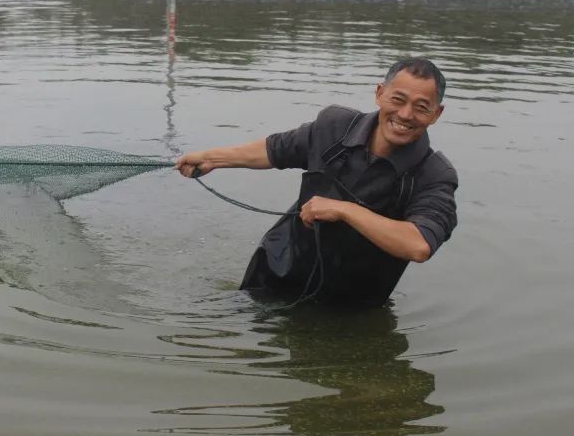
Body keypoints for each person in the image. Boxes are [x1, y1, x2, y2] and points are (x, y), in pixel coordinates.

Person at [176, 58, 458, 307]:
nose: (406, 114)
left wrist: (345, 210)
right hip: (275, 274)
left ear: (437, 113)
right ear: (379, 93)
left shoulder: (435, 174)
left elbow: (419, 244)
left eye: (421, 107)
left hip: (351, 305)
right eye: (398, 99)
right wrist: (211, 158)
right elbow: (276, 149)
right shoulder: (334, 126)